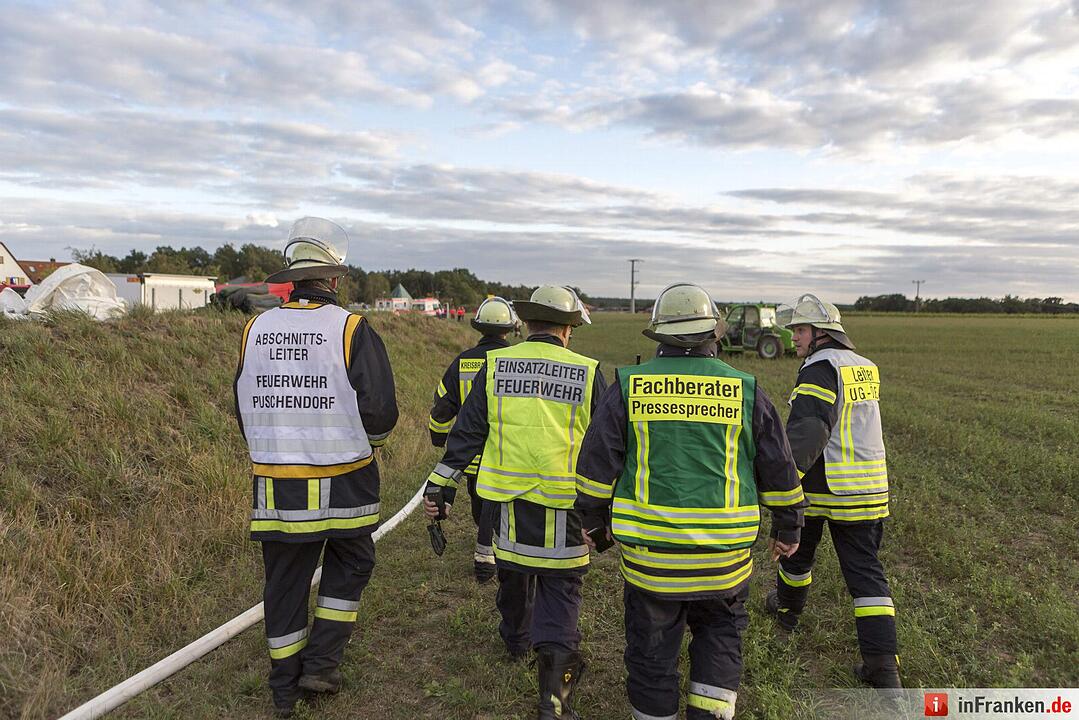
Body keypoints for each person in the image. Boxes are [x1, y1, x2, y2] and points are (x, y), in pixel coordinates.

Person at [574, 283, 806, 720]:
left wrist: (593, 524)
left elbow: (595, 466)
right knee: (720, 639)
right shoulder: (746, 389)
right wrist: (789, 527)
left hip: (651, 565)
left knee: (651, 654)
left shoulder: (630, 385)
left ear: (659, 336)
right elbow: (780, 467)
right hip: (725, 564)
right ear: (713, 335)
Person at [233, 217, 398, 717]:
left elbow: (242, 404)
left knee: (284, 582)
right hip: (344, 483)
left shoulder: (255, 328)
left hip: (277, 487)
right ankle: (322, 663)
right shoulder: (349, 327)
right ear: (334, 278)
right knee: (352, 563)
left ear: (293, 278)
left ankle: (284, 688)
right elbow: (380, 411)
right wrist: (365, 443)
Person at [423, 285, 606, 720]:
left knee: (513, 579)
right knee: (561, 600)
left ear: (525, 324)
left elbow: (465, 435)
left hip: (506, 512)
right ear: (568, 328)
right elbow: (605, 447)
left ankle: (515, 641)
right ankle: (555, 703)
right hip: (566, 514)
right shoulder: (588, 371)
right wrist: (604, 514)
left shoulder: (496, 365)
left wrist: (440, 489)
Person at [766, 293, 901, 692]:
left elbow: (810, 428)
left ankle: (787, 615)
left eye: (800, 330)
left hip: (825, 486)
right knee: (866, 575)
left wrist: (784, 480)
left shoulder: (820, 367)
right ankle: (883, 669)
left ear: (822, 334)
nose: (794, 338)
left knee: (797, 553)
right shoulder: (864, 367)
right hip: (868, 486)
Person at [428, 296, 519, 582]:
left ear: (478, 326)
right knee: (500, 507)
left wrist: (439, 439)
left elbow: (443, 407)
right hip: (505, 454)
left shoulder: (462, 362)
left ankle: (486, 553)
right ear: (510, 328)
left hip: (469, 454)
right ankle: (491, 551)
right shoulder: (515, 363)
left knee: (480, 505)